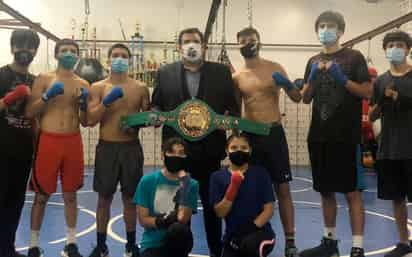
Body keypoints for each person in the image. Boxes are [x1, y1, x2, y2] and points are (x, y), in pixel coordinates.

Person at [151, 27, 240, 257]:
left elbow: (233, 109)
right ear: (179, 47)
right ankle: (178, 253)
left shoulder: (221, 73)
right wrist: (155, 115)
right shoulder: (164, 72)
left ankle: (215, 252)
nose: (192, 45)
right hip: (176, 157)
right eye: (187, 41)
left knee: (212, 210)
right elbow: (156, 105)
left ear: (204, 46)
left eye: (196, 41)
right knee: (177, 210)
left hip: (210, 154)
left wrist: (227, 121)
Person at [300, 11, 372, 257]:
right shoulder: (312, 60)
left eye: (330, 26)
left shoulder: (354, 57)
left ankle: (358, 246)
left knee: (352, 192)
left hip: (346, 137)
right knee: (325, 191)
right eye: (321, 26)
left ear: (341, 31)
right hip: (319, 136)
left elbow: (367, 92)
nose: (325, 30)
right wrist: (310, 79)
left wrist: (342, 79)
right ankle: (329, 243)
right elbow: (305, 99)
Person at [232, 27, 301, 257]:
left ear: (259, 41)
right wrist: (235, 136)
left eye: (251, 40)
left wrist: (288, 84)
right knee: (250, 187)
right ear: (238, 45)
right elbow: (234, 111)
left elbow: (297, 97)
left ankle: (290, 241)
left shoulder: (275, 67)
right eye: (242, 41)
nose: (247, 44)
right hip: (249, 135)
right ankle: (252, 234)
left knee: (282, 188)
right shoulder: (237, 76)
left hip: (273, 133)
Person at [25, 39, 89, 257]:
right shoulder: (43, 78)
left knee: (70, 194)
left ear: (78, 56)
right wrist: (46, 96)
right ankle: (33, 245)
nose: (69, 54)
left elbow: (85, 120)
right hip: (49, 140)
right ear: (56, 54)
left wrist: (83, 105)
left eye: (73, 51)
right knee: (42, 195)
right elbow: (29, 112)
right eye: (65, 50)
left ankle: (71, 243)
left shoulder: (83, 83)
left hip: (73, 140)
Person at [86, 43, 150, 257]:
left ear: (129, 60)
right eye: (116, 55)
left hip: (131, 148)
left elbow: (148, 118)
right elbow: (91, 120)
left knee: (130, 199)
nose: (119, 58)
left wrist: (138, 123)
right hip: (107, 148)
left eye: (124, 56)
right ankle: (101, 245)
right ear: (108, 59)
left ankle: (130, 245)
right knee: (104, 199)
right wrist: (106, 102)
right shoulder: (97, 87)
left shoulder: (140, 88)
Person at [369, 30, 412, 257]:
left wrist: (401, 99)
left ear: (407, 49)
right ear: (385, 50)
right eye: (391, 45)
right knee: (397, 198)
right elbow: (373, 116)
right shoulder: (382, 81)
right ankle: (404, 243)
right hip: (390, 148)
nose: (395, 48)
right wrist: (383, 101)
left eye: (399, 44)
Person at [0, 29, 40, 257]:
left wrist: (39, 150)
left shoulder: (36, 81)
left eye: (30, 46)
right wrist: (9, 98)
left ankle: (8, 249)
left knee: (15, 204)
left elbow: (35, 120)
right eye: (21, 45)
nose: (25, 50)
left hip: (24, 152)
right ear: (12, 47)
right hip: (1, 150)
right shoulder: (1, 76)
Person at [210, 133, 276, 257]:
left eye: (244, 148)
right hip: (232, 237)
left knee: (250, 245)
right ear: (227, 150)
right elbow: (220, 213)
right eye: (234, 148)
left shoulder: (261, 173)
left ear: (250, 151)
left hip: (261, 233)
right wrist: (234, 186)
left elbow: (269, 210)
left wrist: (248, 229)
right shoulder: (217, 177)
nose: (239, 151)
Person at [134, 137, 199, 257]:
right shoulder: (147, 181)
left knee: (178, 229)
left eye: (180, 153)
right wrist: (162, 221)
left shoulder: (191, 184)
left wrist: (184, 184)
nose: (176, 156)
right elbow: (143, 220)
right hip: (152, 245)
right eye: (171, 152)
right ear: (162, 155)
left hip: (178, 243)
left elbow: (183, 219)